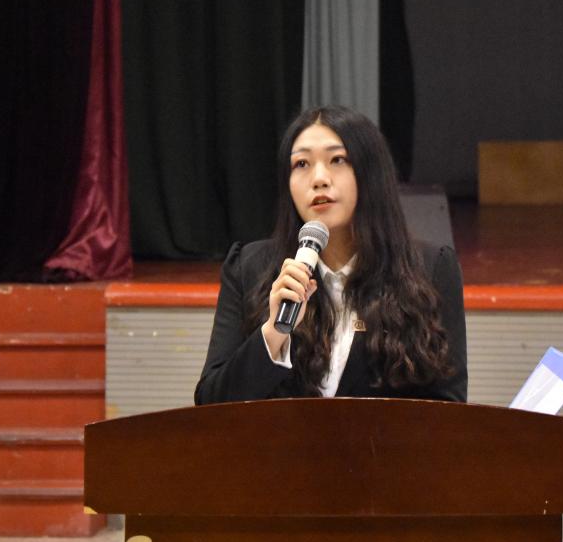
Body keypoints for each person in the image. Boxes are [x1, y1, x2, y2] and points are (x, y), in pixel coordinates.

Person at [194, 106, 467, 404]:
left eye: (337, 160)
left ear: (370, 173)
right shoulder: (250, 268)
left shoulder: (430, 269)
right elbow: (211, 404)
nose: (319, 179)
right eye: (301, 164)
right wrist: (273, 333)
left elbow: (449, 410)